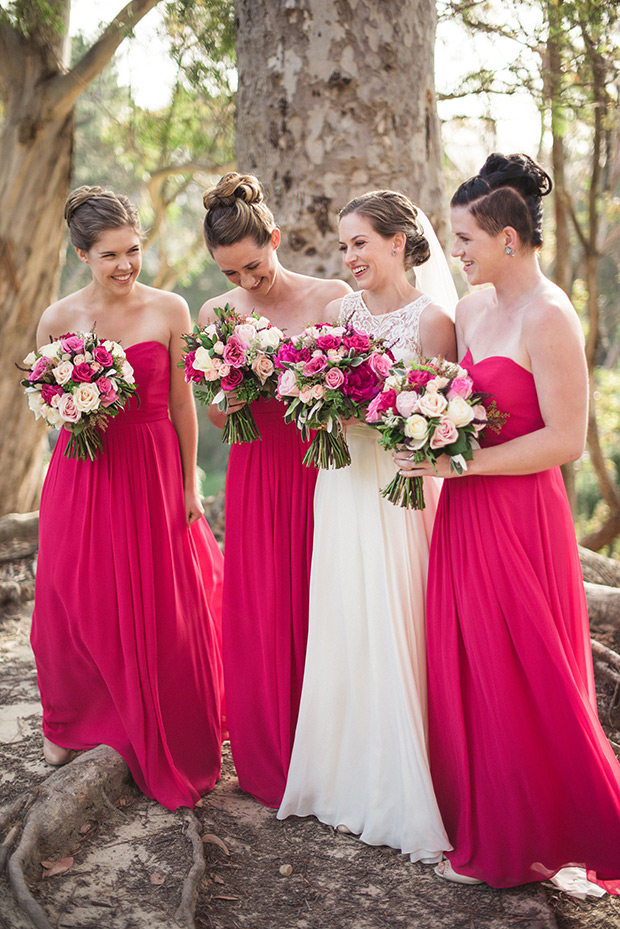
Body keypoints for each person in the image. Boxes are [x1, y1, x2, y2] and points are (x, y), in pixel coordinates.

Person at [396, 153, 620, 891]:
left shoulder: (550, 314)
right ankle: (494, 824)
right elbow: (454, 406)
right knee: (472, 662)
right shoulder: (468, 312)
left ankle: (564, 828)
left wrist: (462, 464)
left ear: (509, 240)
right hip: (463, 510)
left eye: (464, 238)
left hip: (520, 512)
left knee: (528, 671)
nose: (454, 253)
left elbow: (563, 439)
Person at [31, 186, 225, 811]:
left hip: (151, 464)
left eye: (133, 250)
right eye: (110, 254)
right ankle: (71, 724)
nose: (124, 265)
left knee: (159, 597)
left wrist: (190, 479)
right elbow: (51, 409)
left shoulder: (170, 308)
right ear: (82, 254)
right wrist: (73, 403)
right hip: (83, 469)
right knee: (71, 590)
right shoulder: (59, 319)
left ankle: (160, 726)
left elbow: (182, 402)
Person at [278, 189, 457, 861]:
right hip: (339, 484)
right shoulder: (337, 313)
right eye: (343, 243)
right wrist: (317, 402)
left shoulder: (434, 323)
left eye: (361, 242)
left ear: (398, 241)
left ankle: (400, 786)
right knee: (345, 614)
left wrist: (369, 415)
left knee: (393, 614)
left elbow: (436, 426)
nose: (349, 255)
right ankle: (337, 778)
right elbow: (307, 396)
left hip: (396, 492)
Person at [199, 172, 351, 808]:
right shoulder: (216, 315)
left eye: (253, 267)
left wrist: (314, 391)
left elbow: (355, 393)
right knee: (263, 605)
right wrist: (233, 392)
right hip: (258, 471)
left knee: (323, 603)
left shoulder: (332, 298)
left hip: (323, 470)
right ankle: (270, 757)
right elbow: (213, 411)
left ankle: (333, 753)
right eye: (231, 273)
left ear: (276, 239)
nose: (245, 284)